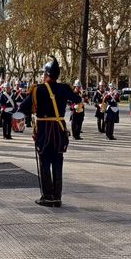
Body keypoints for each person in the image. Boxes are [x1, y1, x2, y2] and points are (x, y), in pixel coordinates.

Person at [18, 56, 82, 208]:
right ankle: (57, 197)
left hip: (45, 130)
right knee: (58, 163)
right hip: (59, 129)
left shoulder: (38, 89)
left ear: (46, 74)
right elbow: (77, 99)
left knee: (45, 163)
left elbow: (23, 108)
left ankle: (47, 196)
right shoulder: (64, 88)